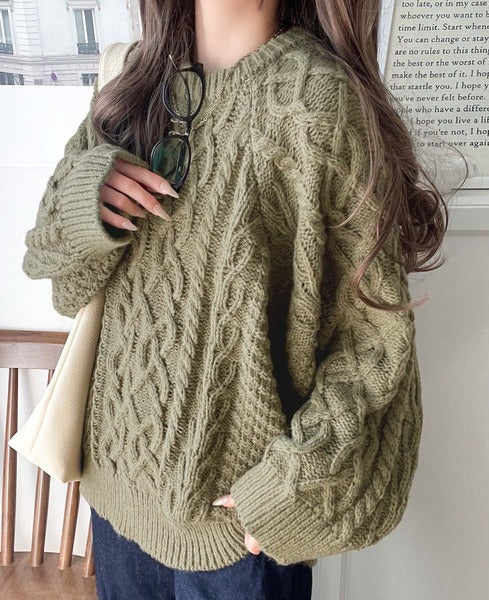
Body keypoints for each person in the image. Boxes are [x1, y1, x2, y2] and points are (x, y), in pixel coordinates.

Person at [21, 0, 459, 598]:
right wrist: (86, 202)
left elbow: (374, 342)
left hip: (235, 539)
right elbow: (60, 281)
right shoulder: (133, 82)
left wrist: (292, 485)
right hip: (114, 498)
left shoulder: (317, 102)